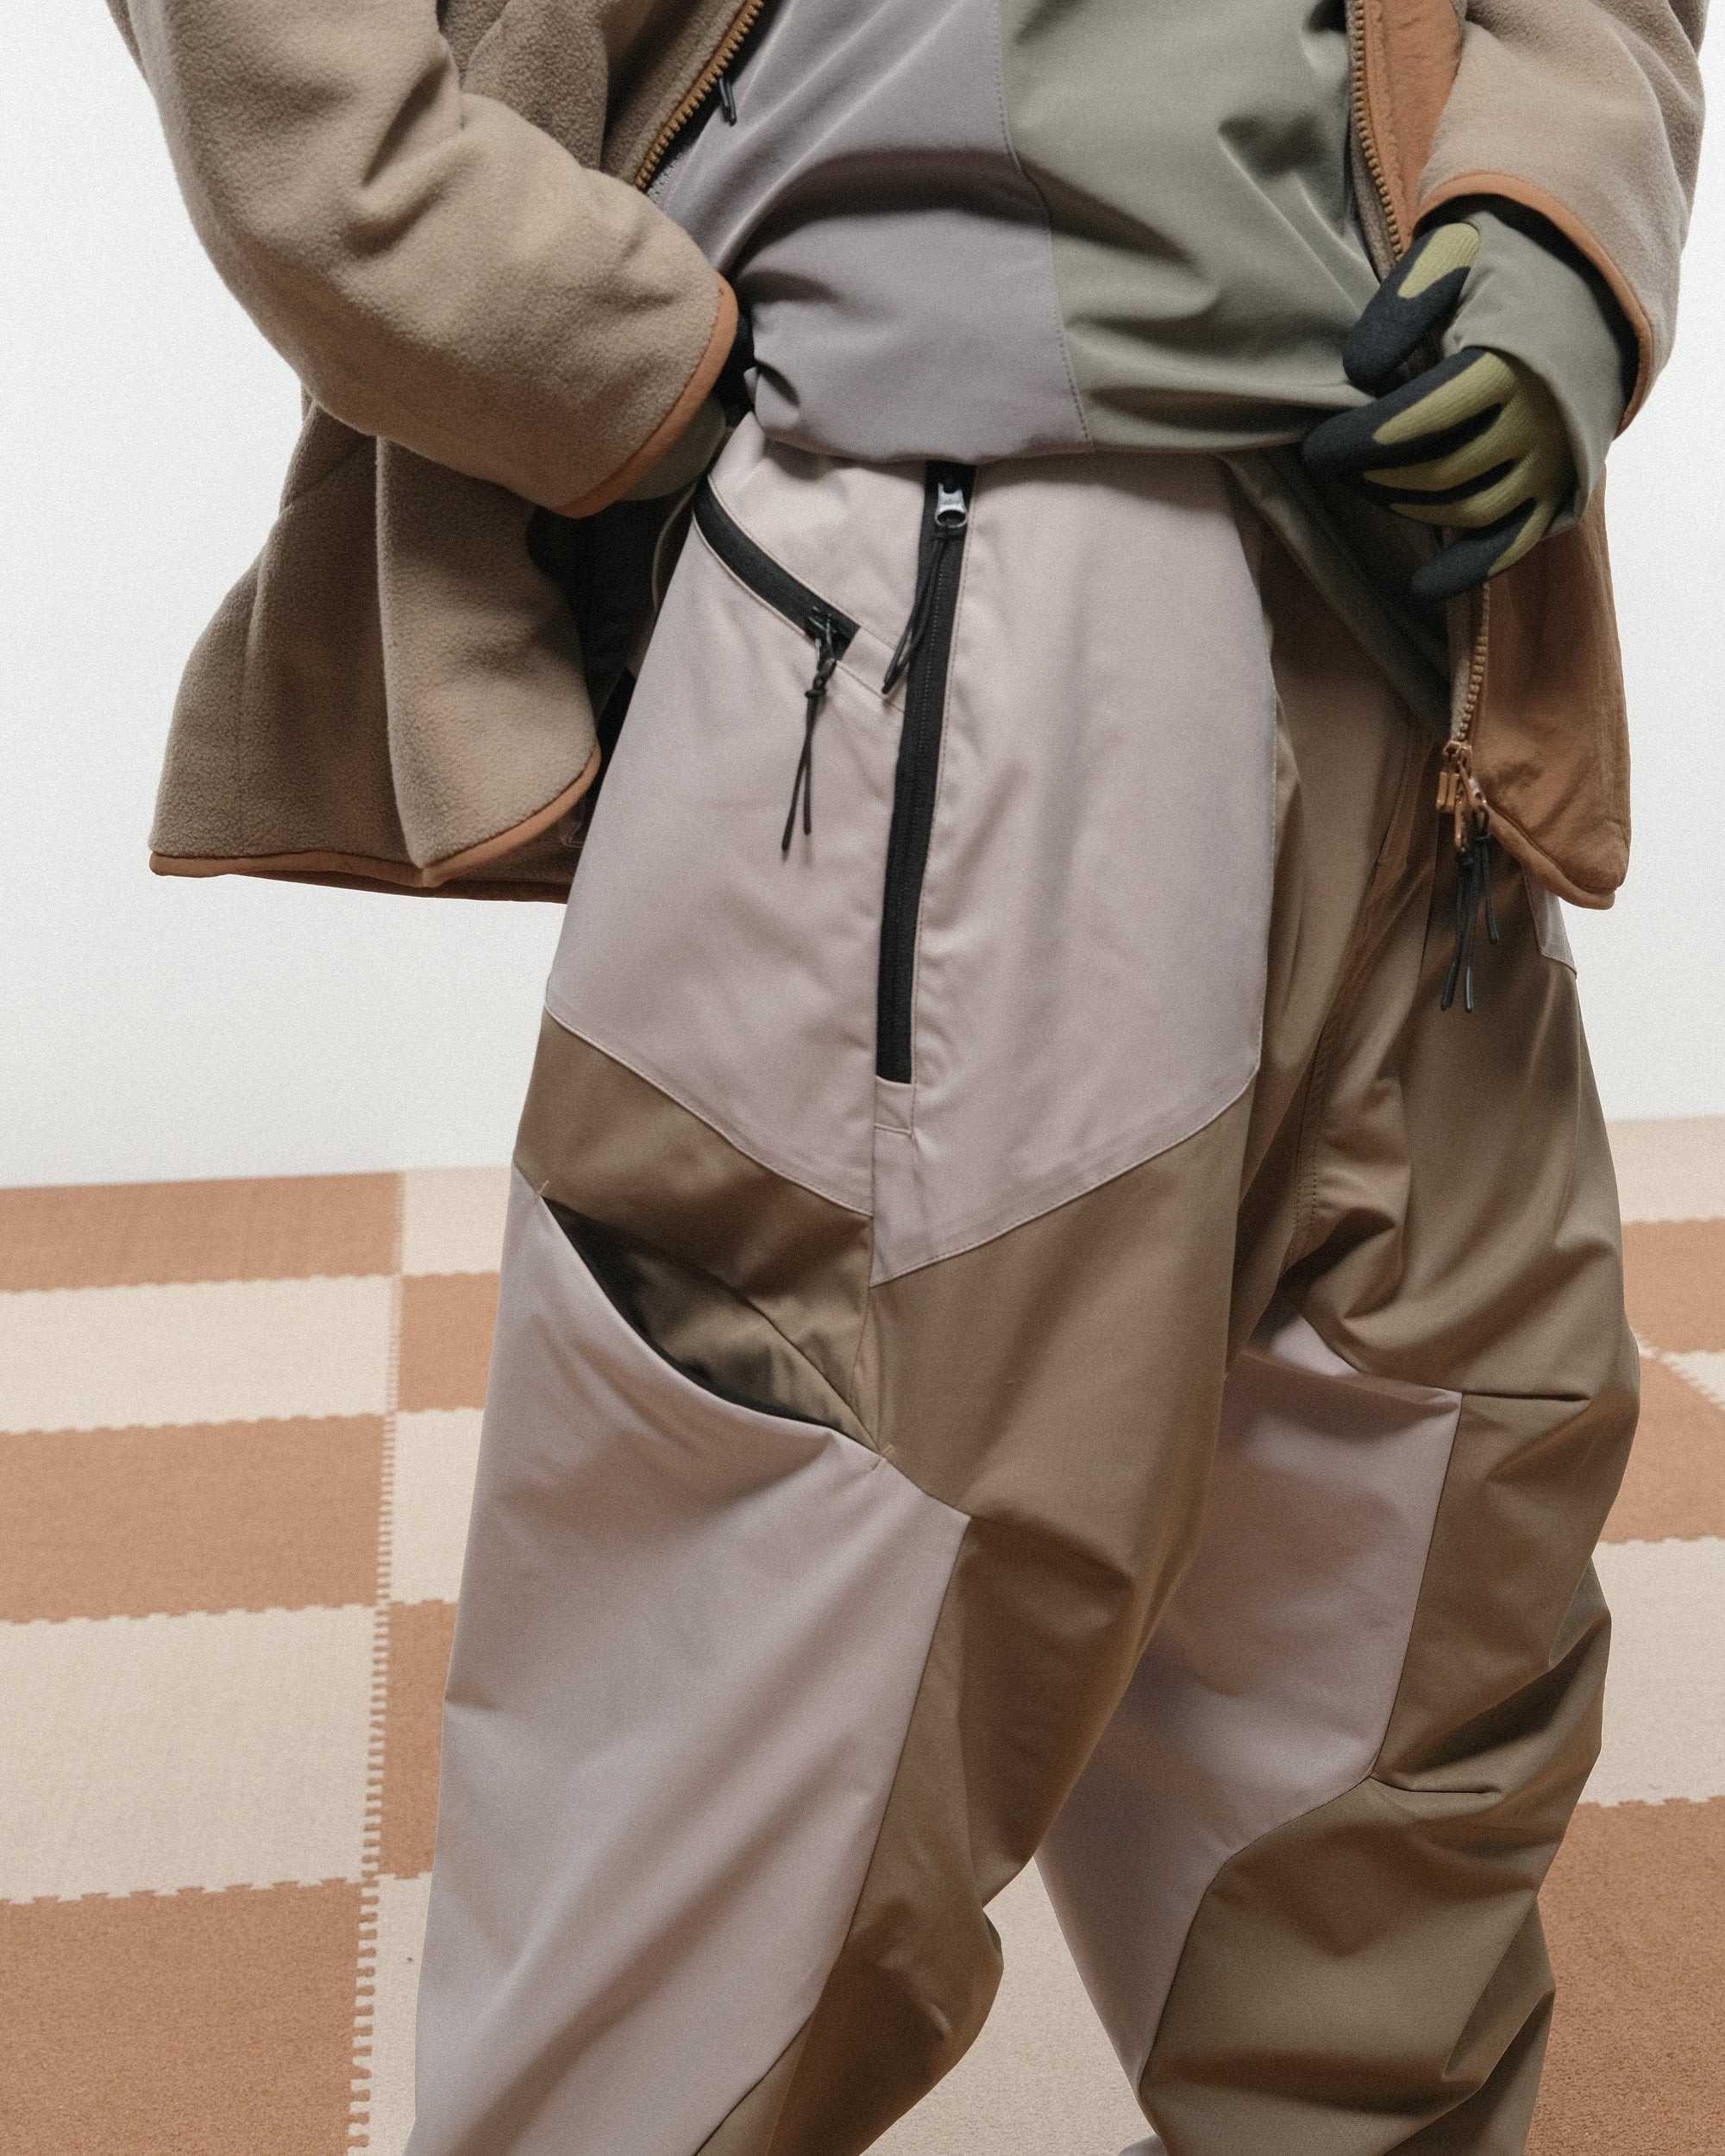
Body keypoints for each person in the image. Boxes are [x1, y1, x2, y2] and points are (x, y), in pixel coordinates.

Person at [107, 2, 1706, 2150]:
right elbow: (287, 76)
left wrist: (1550, 239)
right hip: (929, 570)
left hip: (1407, 624)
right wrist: (617, 356)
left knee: (1420, 1560)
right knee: (798, 1621)